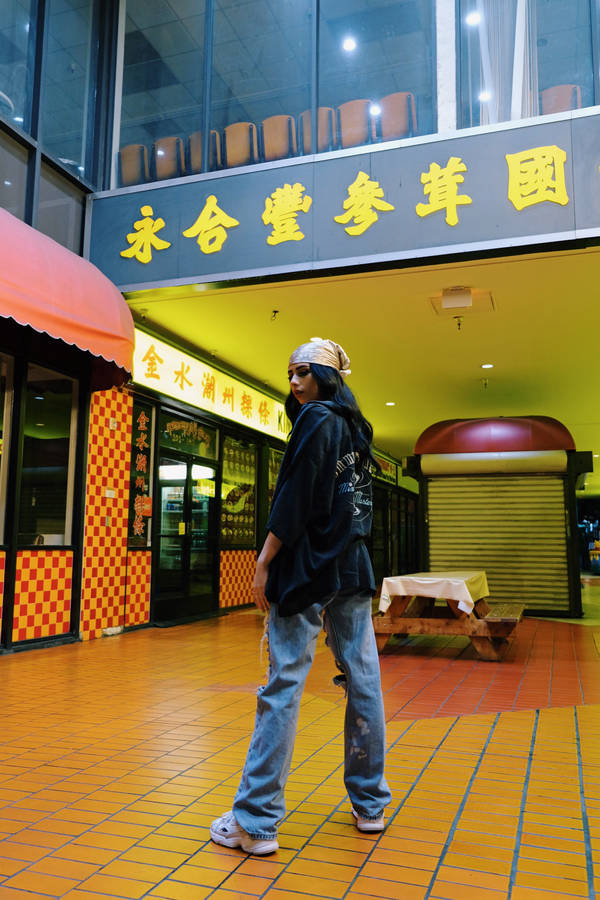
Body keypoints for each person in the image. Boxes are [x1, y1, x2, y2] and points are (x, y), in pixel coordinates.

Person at [210, 339, 391, 855]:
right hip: (353, 566)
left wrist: (263, 561)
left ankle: (255, 820)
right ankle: (370, 804)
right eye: (289, 373)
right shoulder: (357, 430)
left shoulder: (316, 419)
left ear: (325, 376)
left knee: (283, 683)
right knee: (364, 681)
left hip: (310, 566)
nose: (294, 382)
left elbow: (296, 498)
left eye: (302, 372)